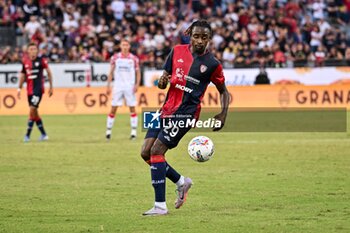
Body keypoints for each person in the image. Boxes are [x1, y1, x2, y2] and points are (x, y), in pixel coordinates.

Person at [140, 20, 230, 216]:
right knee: (146, 152)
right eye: (196, 36)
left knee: (157, 150)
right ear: (190, 35)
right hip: (165, 109)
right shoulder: (177, 51)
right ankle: (181, 182)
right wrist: (162, 81)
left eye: (204, 38)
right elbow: (163, 82)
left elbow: (224, 91)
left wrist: (223, 113)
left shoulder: (213, 64)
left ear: (209, 39)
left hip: (186, 113)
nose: (199, 41)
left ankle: (160, 206)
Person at [17, 42, 54, 142]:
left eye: (34, 49)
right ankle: (44, 134)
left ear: (37, 50)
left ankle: (27, 135)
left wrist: (51, 87)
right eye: (31, 49)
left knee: (32, 110)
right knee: (35, 114)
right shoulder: (25, 62)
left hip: (38, 90)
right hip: (29, 91)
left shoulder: (41, 61)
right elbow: (22, 76)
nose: (33, 51)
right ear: (28, 51)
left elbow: (49, 73)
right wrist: (19, 88)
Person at [106, 39, 141, 140]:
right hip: (118, 86)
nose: (125, 47)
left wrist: (137, 84)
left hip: (129, 86)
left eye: (126, 45)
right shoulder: (115, 57)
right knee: (113, 108)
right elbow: (111, 72)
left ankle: (133, 132)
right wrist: (108, 86)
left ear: (129, 46)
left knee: (132, 107)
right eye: (123, 45)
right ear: (120, 46)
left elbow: (138, 72)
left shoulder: (134, 58)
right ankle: (108, 132)